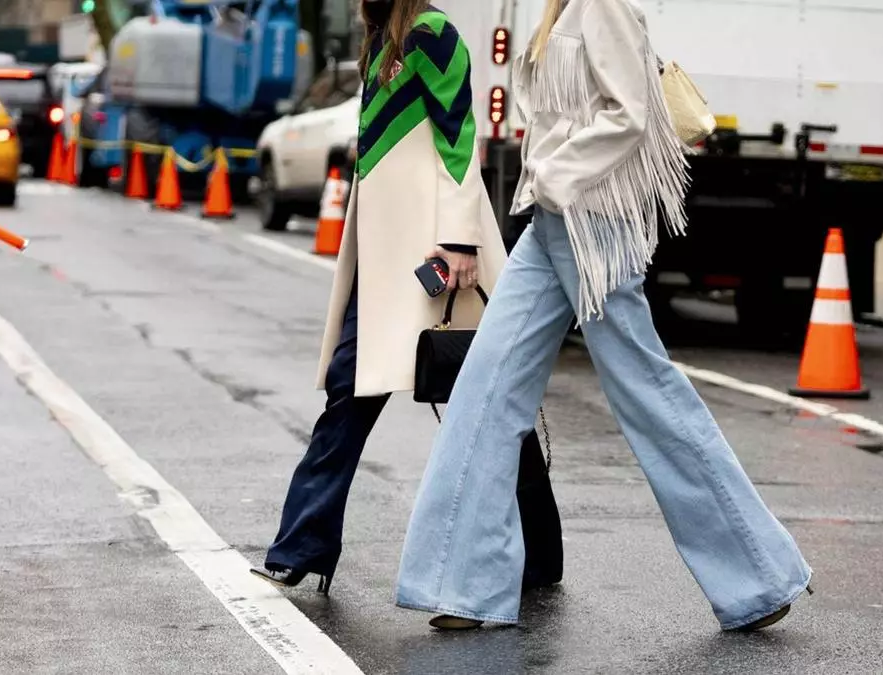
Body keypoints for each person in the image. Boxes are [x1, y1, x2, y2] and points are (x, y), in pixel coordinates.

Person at [396, 0, 812, 631]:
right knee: (486, 385)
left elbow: (630, 113)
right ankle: (462, 586)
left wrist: (554, 174)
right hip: (551, 224)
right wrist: (544, 184)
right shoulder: (560, 10)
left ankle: (759, 576)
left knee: (648, 394)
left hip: (595, 225)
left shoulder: (603, 4)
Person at [251, 0, 562, 594]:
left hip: (435, 258)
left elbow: (459, 135)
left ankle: (542, 556)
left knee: (489, 403)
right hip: (386, 258)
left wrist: (458, 239)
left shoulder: (433, 33)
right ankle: (302, 545)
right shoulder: (381, 40)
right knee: (351, 389)